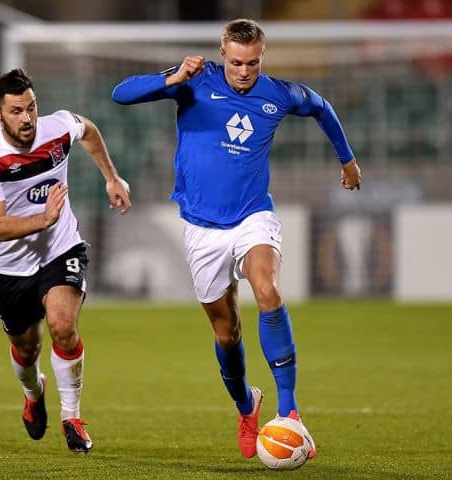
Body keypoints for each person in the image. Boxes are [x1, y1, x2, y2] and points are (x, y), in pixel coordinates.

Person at [112, 18, 362, 460]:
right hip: (201, 227)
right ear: (221, 55)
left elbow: (322, 107)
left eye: (252, 63)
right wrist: (173, 77)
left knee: (267, 290)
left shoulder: (278, 94)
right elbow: (122, 94)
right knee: (226, 332)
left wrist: (347, 160)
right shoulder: (194, 81)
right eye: (235, 62)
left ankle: (290, 410)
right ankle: (247, 406)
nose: (243, 71)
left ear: (262, 57)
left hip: (252, 215)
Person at [0, 68, 131, 453]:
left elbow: (87, 130)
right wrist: (43, 218)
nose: (27, 118)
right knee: (26, 351)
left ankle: (71, 417)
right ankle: (33, 391)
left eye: (32, 107)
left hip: (62, 249)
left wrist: (112, 176)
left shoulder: (57, 127)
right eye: (17, 111)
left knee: (62, 324)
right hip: (11, 266)